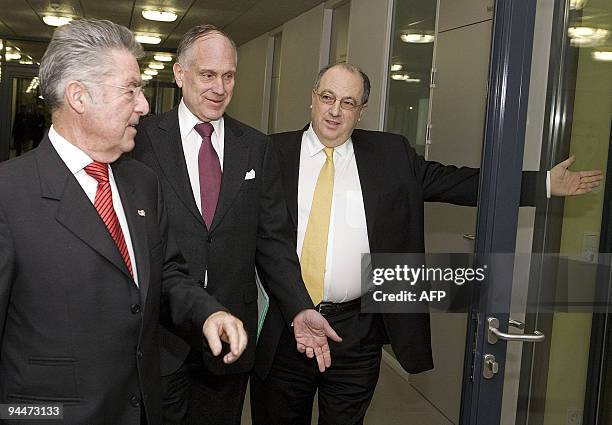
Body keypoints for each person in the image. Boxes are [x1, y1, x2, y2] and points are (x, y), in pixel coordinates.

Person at [250, 62, 603, 425]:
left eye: (348, 102)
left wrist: (542, 184)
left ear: (361, 111)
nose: (335, 110)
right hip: (284, 328)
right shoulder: (269, 154)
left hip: (355, 332)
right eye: (327, 97)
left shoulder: (389, 155)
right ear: (313, 98)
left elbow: (457, 182)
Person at [0, 19, 248, 425]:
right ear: (79, 96)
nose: (144, 105)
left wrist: (207, 313)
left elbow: (165, 274)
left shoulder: (141, 183)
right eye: (130, 89)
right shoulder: (9, 195)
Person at [133, 25, 340, 425]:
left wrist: (299, 306)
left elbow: (273, 242)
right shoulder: (141, 142)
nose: (219, 87)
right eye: (207, 75)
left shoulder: (256, 148)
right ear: (179, 75)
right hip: (162, 334)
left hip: (231, 340)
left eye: (228, 76)